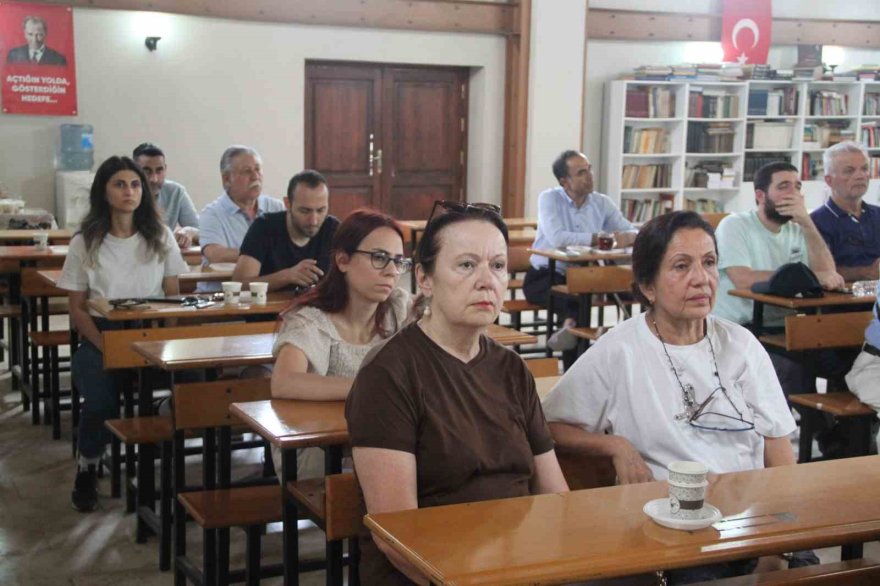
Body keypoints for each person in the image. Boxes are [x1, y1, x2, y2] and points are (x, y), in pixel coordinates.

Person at [542, 211, 810, 583]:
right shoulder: (620, 350)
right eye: (681, 266)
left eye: (709, 263)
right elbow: (548, 426)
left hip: (750, 523)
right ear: (648, 286)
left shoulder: (742, 345)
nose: (701, 279)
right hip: (671, 531)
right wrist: (615, 446)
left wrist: (776, 547)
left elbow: (779, 453)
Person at [346, 201, 569, 585]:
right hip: (432, 573)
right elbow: (396, 537)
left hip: (518, 564)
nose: (487, 281)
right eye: (466, 265)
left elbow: (556, 497)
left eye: (497, 266)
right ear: (425, 278)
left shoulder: (512, 369)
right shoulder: (388, 374)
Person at [57, 156, 188, 512]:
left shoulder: (159, 236)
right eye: (120, 184)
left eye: (135, 185)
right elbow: (77, 308)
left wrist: (167, 342)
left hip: (153, 334)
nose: (129, 191)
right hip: (102, 334)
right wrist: (105, 345)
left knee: (196, 388)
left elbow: (173, 295)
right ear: (104, 190)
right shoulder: (86, 241)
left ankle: (170, 461)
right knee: (100, 400)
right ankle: (88, 465)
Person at [270, 209, 411, 478]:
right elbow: (284, 381)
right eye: (380, 258)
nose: (392, 271)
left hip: (379, 441)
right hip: (316, 451)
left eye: (398, 261)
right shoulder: (311, 321)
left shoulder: (398, 309)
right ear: (343, 260)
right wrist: (373, 388)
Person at [713, 161, 845, 397]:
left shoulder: (798, 229)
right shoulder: (735, 225)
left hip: (788, 328)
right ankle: (817, 431)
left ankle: (845, 431)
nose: (793, 193)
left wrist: (807, 223)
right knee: (791, 371)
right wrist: (808, 278)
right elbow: (743, 279)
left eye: (797, 186)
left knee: (845, 360)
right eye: (783, 186)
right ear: (761, 195)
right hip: (742, 328)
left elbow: (829, 274)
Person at [524, 149, 637, 350]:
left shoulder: (602, 202)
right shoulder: (549, 199)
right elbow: (558, 238)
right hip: (546, 276)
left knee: (634, 289)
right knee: (576, 303)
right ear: (564, 182)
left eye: (589, 169)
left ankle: (616, 338)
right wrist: (598, 238)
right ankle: (577, 341)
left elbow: (629, 229)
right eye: (581, 173)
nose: (589, 176)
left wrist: (630, 236)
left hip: (586, 275)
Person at [232, 170, 339, 292]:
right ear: (287, 204)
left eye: (321, 210)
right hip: (269, 310)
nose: (313, 221)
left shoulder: (333, 229)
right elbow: (238, 285)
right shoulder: (264, 227)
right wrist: (286, 276)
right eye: (305, 211)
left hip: (318, 310)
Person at [198, 145, 284, 290]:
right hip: (220, 299)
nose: (255, 176)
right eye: (247, 171)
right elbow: (216, 254)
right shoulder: (212, 213)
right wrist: (263, 254)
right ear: (227, 179)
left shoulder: (276, 208)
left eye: (258, 169)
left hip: (269, 293)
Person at [810, 141, 879, 282]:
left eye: (865, 169)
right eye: (849, 171)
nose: (860, 176)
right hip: (840, 300)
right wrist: (864, 272)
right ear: (829, 180)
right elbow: (817, 271)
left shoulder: (877, 215)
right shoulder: (815, 222)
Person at [133, 142, 199, 248]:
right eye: (147, 171)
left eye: (159, 170)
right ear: (134, 171)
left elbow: (203, 232)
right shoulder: (126, 195)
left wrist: (189, 231)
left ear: (165, 169)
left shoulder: (176, 192)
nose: (154, 179)